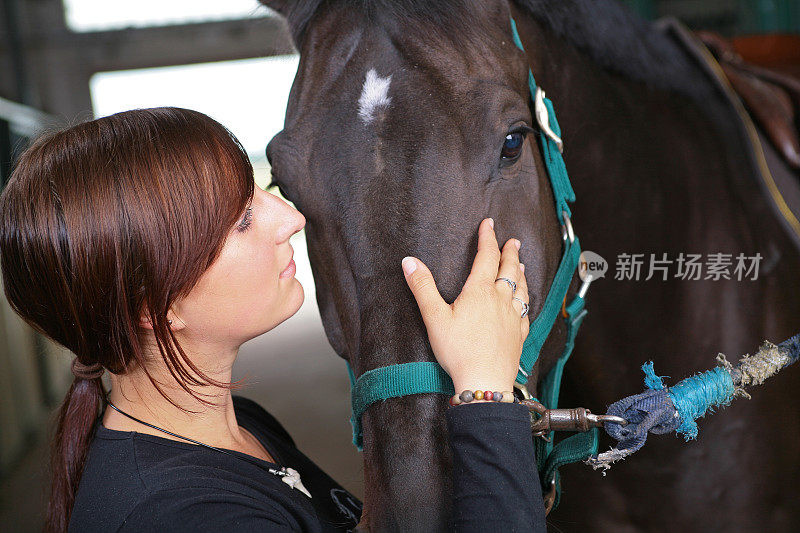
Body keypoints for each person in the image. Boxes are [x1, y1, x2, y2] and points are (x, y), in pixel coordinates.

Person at [0, 107, 545, 532]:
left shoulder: (240, 425)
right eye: (241, 221)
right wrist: (485, 393)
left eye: (263, 193)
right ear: (152, 306)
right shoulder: (185, 518)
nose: (290, 217)